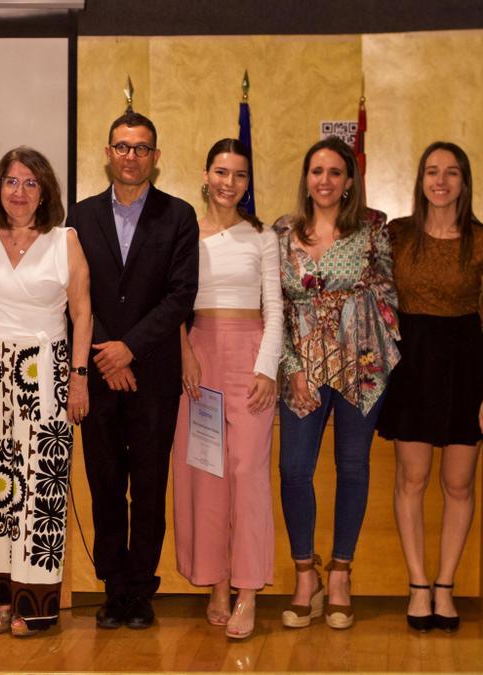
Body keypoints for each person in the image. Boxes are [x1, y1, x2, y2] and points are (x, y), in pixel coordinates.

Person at [0, 147, 91, 636]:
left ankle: (36, 604)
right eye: (11, 181)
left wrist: (79, 375)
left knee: (40, 488)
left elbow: (82, 313)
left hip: (45, 372)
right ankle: (3, 597)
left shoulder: (64, 241)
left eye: (30, 182)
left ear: (45, 191)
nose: (19, 191)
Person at [69, 111, 199, 629]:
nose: (131, 156)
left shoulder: (179, 216)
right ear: (107, 152)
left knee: (147, 486)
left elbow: (181, 296)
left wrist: (131, 348)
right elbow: (72, 294)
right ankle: (113, 588)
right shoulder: (79, 217)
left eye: (141, 148)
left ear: (155, 157)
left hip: (153, 377)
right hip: (98, 375)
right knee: (104, 484)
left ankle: (141, 591)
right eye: (122, 147)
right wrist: (107, 349)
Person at [376, 142, 483, 633]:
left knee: (458, 483)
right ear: (421, 179)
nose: (441, 181)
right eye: (432, 171)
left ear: (464, 181)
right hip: (410, 364)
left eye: (452, 173)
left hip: (465, 367)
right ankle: (417, 584)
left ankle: (446, 585)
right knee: (412, 479)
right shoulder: (397, 235)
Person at [275, 136, 400, 631]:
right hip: (301, 369)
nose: (324, 180)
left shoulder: (372, 230)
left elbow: (389, 297)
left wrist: (365, 354)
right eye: (316, 171)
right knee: (293, 469)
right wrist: (292, 365)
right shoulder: (283, 232)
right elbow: (277, 307)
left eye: (334, 172)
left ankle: (342, 573)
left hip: (360, 366)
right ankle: (306, 574)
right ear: (306, 179)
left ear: (349, 181)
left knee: (352, 466)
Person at [171, 139, 281, 640]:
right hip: (199, 354)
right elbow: (173, 302)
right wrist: (186, 353)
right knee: (207, 470)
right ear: (206, 174)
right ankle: (216, 582)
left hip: (251, 355)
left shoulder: (263, 237)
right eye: (221, 171)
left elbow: (276, 308)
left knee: (248, 471)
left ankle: (249, 589)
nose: (229, 182)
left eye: (239, 174)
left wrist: (267, 369)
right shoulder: (184, 233)